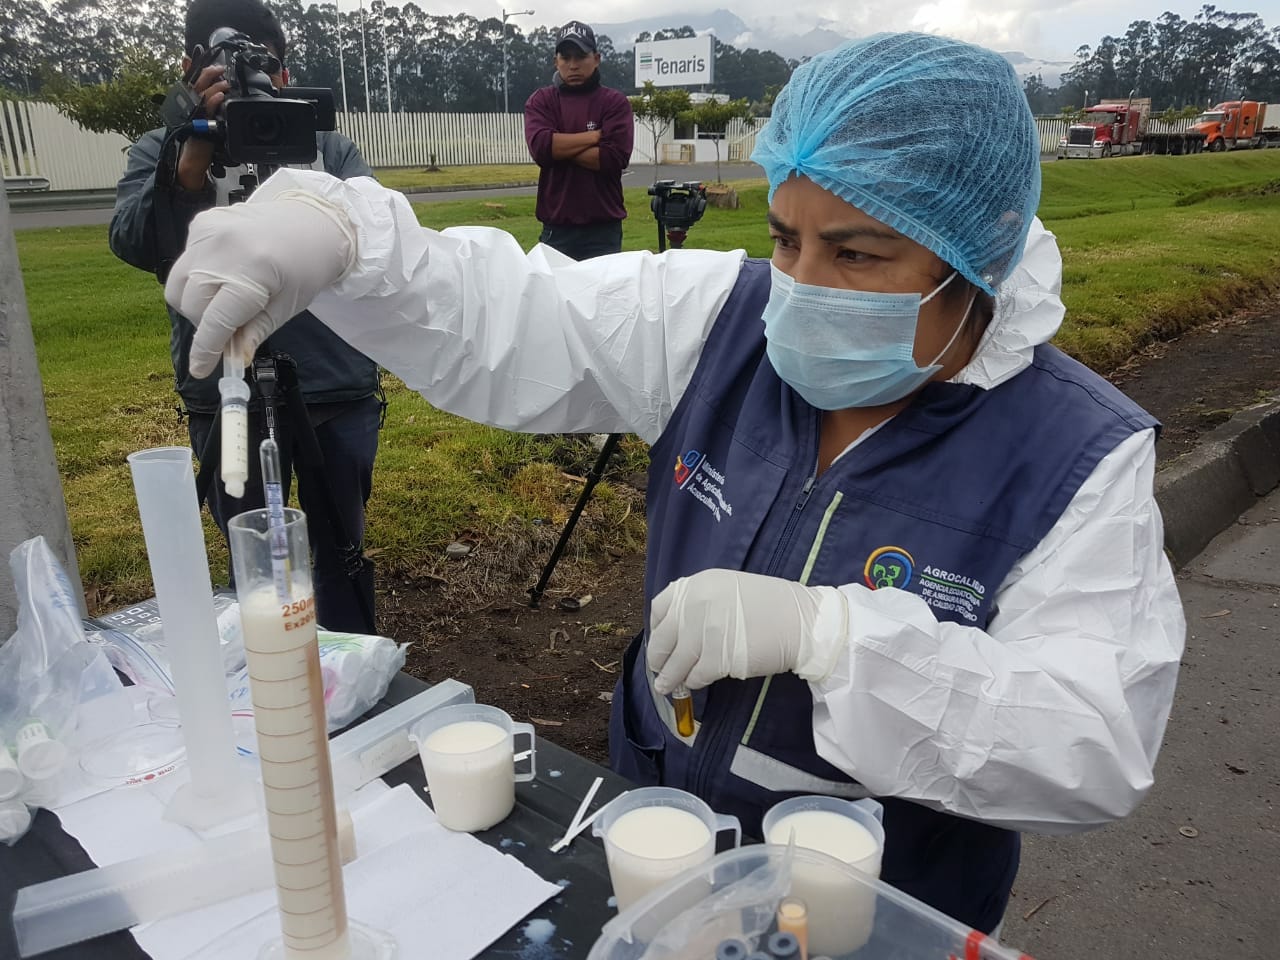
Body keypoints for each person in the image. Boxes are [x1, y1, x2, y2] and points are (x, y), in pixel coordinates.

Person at [162, 32, 1185, 934]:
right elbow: (514, 318)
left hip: (876, 911)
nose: (803, 285)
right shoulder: (719, 323)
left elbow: (1089, 744)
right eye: (786, 238)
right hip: (658, 845)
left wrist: (836, 641)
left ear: (983, 251)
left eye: (856, 252)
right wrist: (336, 232)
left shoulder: (1071, 454)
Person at [109, 0, 382, 634]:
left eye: (267, 69)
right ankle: (264, 666)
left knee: (340, 544)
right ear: (190, 70)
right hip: (224, 390)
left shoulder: (328, 149)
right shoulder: (163, 149)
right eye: (223, 69)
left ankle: (351, 666)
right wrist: (187, 172)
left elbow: (373, 238)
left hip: (334, 383)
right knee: (253, 552)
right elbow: (134, 243)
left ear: (285, 77)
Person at [523, 20, 634, 260]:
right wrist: (594, 136)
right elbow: (541, 149)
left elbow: (612, 158)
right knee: (554, 297)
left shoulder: (614, 102)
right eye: (566, 57)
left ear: (596, 58)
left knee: (603, 297)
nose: (573, 65)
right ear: (556, 61)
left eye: (581, 56)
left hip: (603, 231)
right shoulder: (541, 101)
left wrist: (559, 147)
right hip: (557, 229)